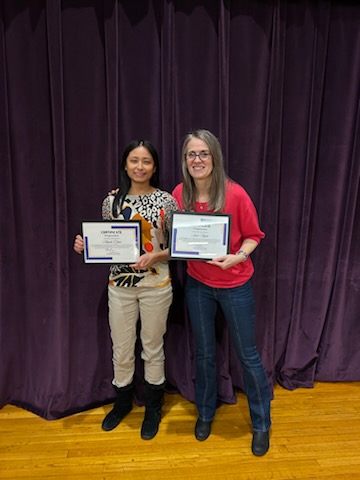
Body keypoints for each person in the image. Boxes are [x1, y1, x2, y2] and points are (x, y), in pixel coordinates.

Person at [172, 129, 272, 456]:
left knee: (247, 355)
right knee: (204, 354)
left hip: (234, 284)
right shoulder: (178, 194)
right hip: (198, 285)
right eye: (191, 154)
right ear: (185, 160)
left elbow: (253, 236)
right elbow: (170, 232)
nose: (197, 160)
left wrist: (238, 256)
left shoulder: (235, 194)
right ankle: (205, 413)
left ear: (214, 156)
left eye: (203, 153)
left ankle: (261, 423)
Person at [73, 140, 178, 440]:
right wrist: (85, 246)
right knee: (121, 348)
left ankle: (153, 408)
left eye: (146, 161)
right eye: (134, 160)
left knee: (152, 347)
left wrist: (156, 256)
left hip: (157, 285)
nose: (140, 167)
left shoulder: (166, 202)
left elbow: (178, 247)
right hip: (119, 287)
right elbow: (108, 243)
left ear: (154, 167)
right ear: (125, 165)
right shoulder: (111, 202)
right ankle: (122, 404)